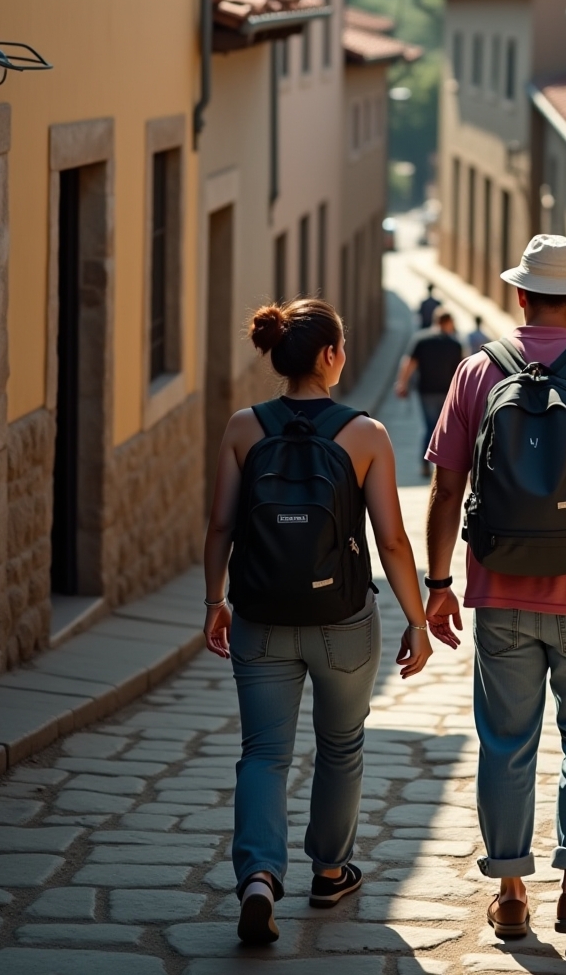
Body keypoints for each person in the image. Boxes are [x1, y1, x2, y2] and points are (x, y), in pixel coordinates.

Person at [423, 234, 566, 939]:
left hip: (499, 592)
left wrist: (439, 583)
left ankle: (510, 893)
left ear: (519, 295)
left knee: (505, 742)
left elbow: (445, 488)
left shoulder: (475, 372)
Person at [204, 297, 432, 946]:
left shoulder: (244, 428)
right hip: (344, 623)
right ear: (331, 356)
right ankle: (330, 869)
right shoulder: (365, 434)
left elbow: (220, 524)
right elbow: (391, 544)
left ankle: (257, 878)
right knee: (342, 744)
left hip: (260, 616)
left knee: (263, 754)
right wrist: (417, 621)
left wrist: (211, 601)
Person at [395, 307, 464, 476]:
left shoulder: (421, 339)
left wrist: (402, 384)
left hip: (425, 391)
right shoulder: (455, 345)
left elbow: (409, 363)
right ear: (448, 322)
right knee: (445, 429)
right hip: (447, 393)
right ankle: (444, 465)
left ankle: (425, 463)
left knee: (429, 426)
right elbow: (461, 372)